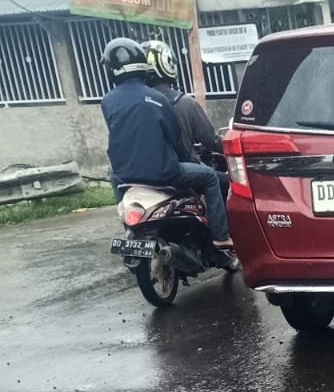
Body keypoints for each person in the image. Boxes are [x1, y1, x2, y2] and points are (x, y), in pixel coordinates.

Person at [99, 37, 237, 267]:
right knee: (211, 178)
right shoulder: (159, 99)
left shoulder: (107, 101)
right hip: (164, 173)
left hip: (125, 176)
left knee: (114, 179)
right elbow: (174, 138)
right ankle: (221, 238)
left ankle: (129, 233)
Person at [142, 38, 223, 165]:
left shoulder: (136, 104)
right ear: (168, 63)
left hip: (147, 170)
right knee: (217, 179)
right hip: (181, 170)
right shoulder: (185, 103)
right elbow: (211, 140)